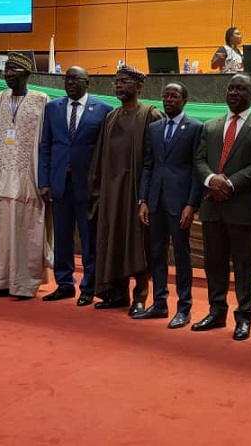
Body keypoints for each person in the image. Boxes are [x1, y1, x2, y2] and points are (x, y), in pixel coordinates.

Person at [192, 74, 251, 340]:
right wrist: (211, 179)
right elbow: (199, 160)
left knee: (243, 266)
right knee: (214, 264)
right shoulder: (210, 126)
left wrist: (229, 184)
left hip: (242, 208)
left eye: (241, 89)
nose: (235, 93)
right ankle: (216, 312)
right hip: (212, 207)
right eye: (231, 88)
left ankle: (244, 317)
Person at [88, 65, 162, 315]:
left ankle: (140, 295)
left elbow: (158, 161)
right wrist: (97, 191)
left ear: (139, 86)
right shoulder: (110, 117)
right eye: (117, 82)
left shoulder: (151, 115)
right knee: (113, 241)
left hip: (136, 194)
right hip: (111, 193)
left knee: (136, 243)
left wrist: (149, 197)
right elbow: (99, 157)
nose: (119, 86)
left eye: (125, 82)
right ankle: (116, 293)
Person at [38, 66, 112, 305]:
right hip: (60, 184)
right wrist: (44, 181)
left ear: (87, 82)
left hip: (88, 186)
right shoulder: (52, 108)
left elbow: (105, 151)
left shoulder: (103, 110)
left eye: (75, 79)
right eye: (67, 79)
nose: (70, 83)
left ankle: (89, 287)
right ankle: (65, 284)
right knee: (61, 237)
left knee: (89, 239)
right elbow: (45, 146)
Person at [0, 52, 50, 300]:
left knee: (26, 229)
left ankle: (24, 283)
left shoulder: (41, 100)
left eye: (14, 70)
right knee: (0, 231)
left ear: (27, 73)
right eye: (6, 70)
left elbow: (45, 142)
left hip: (28, 175)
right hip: (2, 175)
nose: (8, 75)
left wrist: (43, 178)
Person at [136, 83, 203, 329]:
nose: (168, 100)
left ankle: (184, 307)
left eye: (174, 96)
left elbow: (197, 170)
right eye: (165, 95)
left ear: (185, 100)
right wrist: (143, 200)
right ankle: (159, 303)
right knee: (156, 253)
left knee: (182, 256)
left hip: (179, 203)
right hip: (155, 201)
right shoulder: (154, 128)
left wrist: (191, 204)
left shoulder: (196, 128)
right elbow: (148, 165)